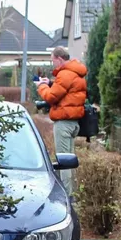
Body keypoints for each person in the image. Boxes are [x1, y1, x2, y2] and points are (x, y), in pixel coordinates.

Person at [34, 46, 87, 196]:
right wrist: (51, 83)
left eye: (53, 61)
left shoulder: (65, 74)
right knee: (70, 161)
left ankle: (66, 197)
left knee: (64, 164)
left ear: (59, 59)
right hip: (73, 122)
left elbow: (51, 97)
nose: (53, 64)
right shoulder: (76, 72)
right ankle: (72, 193)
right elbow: (67, 91)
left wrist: (42, 86)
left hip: (64, 123)